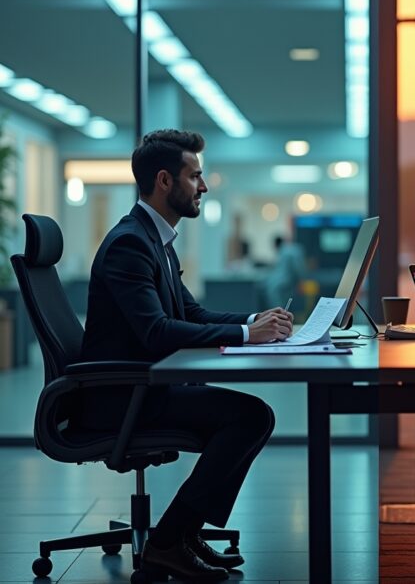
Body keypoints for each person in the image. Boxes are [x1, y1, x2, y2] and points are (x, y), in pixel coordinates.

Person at [80, 129, 294, 582]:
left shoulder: (153, 240)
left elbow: (190, 312)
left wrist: (257, 321)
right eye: (195, 176)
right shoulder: (130, 244)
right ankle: (168, 542)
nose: (204, 185)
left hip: (147, 384)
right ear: (164, 180)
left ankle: (182, 533)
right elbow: (157, 332)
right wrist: (245, 334)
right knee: (251, 417)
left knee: (253, 415)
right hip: (122, 394)